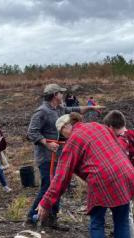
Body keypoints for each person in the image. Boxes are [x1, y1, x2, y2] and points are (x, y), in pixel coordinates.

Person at [37, 113, 134, 238]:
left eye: (63, 134)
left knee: (97, 223)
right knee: (122, 221)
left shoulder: (73, 141)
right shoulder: (99, 126)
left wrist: (46, 202)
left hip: (102, 179)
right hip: (124, 172)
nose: (64, 137)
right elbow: (117, 146)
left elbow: (61, 176)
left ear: (66, 127)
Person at [26, 83, 103, 229]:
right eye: (61, 93)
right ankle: (31, 218)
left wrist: (91, 107)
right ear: (55, 95)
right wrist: (46, 143)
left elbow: (74, 109)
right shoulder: (41, 112)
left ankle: (51, 219)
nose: (63, 95)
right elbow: (32, 132)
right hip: (46, 157)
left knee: (58, 185)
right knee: (47, 186)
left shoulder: (60, 108)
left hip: (60, 155)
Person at [103, 110, 134, 238]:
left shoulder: (121, 142)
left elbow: (117, 165)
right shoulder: (132, 135)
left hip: (123, 183)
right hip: (133, 178)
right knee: (123, 215)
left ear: (111, 127)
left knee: (125, 217)